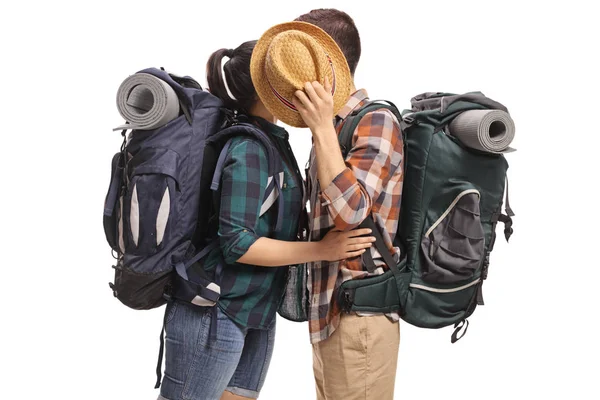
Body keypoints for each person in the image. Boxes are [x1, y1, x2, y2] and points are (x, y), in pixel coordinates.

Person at [158, 40, 375, 400]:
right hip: (215, 310)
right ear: (265, 88)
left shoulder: (273, 142)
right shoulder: (251, 148)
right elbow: (237, 243)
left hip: (255, 311)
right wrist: (321, 249)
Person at [250, 12, 405, 399]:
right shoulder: (335, 129)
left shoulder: (376, 120)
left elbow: (350, 212)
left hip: (360, 315)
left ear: (330, 67)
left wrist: (320, 128)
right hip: (331, 313)